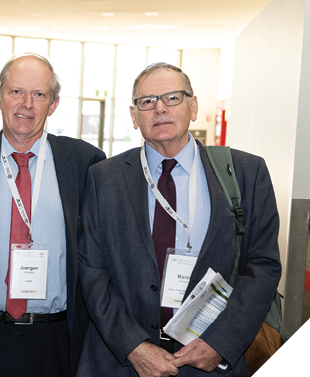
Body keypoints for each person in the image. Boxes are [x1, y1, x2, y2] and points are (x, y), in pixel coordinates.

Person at [78, 62, 281, 376]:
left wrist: (221, 342)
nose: (160, 108)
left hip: (212, 363)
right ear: (134, 116)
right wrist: (133, 346)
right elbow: (92, 270)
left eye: (172, 97)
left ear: (194, 106)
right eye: (147, 102)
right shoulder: (104, 178)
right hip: (122, 362)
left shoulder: (244, 173)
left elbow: (262, 264)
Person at [0, 54, 105, 377]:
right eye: (16, 92)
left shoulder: (85, 162)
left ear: (53, 104)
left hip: (56, 338)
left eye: (39, 94)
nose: (27, 104)